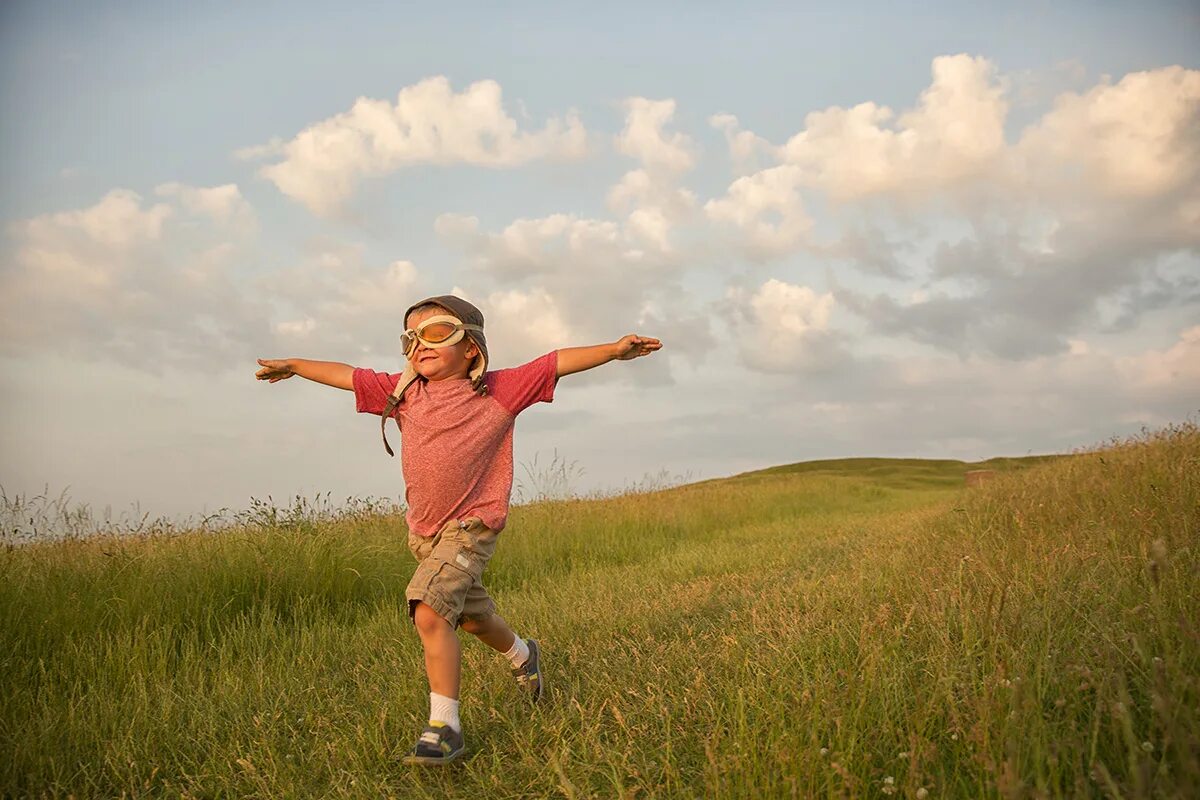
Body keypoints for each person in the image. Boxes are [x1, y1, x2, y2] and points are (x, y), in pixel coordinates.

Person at [255, 294, 662, 765]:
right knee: (469, 617)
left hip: (472, 526)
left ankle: (444, 729)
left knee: (429, 609)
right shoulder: (401, 392)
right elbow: (346, 374)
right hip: (424, 533)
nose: (419, 344)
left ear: (471, 346)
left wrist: (613, 350)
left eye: (435, 332)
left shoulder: (498, 389)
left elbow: (554, 362)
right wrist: (296, 365)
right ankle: (522, 655)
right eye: (410, 337)